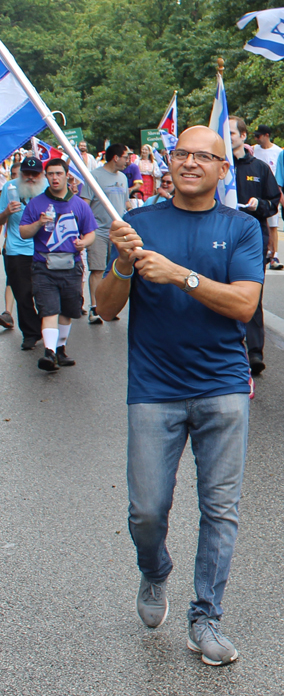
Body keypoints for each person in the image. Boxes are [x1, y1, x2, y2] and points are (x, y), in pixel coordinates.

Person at [96, 126, 263, 666]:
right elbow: (105, 309)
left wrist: (179, 276)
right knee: (147, 511)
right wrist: (123, 264)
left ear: (222, 169)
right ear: (170, 163)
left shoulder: (241, 229)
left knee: (221, 509)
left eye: (203, 156)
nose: (190, 162)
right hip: (154, 389)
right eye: (182, 154)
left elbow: (243, 305)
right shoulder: (138, 225)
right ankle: (154, 570)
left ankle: (205, 617)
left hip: (222, 387)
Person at [19, 158, 97, 371]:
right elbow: (24, 232)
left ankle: (60, 349)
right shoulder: (37, 204)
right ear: (46, 176)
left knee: (67, 311)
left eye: (58, 174)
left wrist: (83, 243)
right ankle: (49, 352)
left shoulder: (79, 204)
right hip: (43, 266)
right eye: (51, 174)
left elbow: (91, 232)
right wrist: (39, 223)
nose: (54, 178)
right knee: (49, 309)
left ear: (66, 176)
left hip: (71, 266)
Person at [229, 116, 280, 375]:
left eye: (232, 133)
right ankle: (227, 348)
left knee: (251, 293)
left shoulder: (259, 168)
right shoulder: (218, 168)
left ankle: (254, 352)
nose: (228, 137)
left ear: (243, 136)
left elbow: (273, 201)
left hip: (252, 237)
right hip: (221, 237)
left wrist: (258, 205)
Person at [0, 157, 45, 349]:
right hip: (16, 249)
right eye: (27, 173)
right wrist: (6, 212)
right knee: (22, 294)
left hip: (43, 249)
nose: (30, 177)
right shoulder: (9, 188)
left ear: (41, 174)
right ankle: (30, 334)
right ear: (21, 173)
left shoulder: (48, 187)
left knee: (42, 293)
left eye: (35, 174)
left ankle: (46, 329)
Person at [80, 143, 128, 325]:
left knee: (113, 271)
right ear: (116, 157)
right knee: (98, 269)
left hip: (117, 232)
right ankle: (94, 308)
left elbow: (125, 203)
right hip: (98, 231)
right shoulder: (94, 176)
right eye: (125, 157)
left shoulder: (123, 178)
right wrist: (86, 229)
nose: (127, 161)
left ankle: (108, 307)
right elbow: (84, 204)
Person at [0, 161, 21, 332]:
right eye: (14, 175)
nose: (17, 178)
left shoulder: (34, 192)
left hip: (34, 247)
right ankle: (8, 313)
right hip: (12, 244)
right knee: (11, 279)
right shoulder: (8, 193)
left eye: (20, 175)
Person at [252, 123, 283, 269]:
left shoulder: (277, 152)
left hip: (271, 191)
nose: (257, 139)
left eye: (259, 136)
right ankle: (263, 251)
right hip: (256, 191)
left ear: (267, 136)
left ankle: (274, 255)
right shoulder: (254, 150)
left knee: (273, 225)